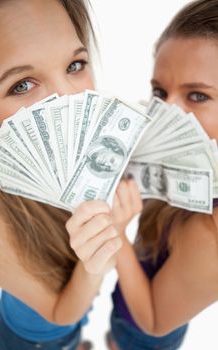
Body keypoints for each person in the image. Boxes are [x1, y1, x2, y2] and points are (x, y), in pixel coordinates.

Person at [67, 1, 218, 349]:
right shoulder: (174, 156)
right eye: (160, 93)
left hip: (146, 331)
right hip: (128, 295)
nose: (167, 114)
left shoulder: (211, 231)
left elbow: (153, 321)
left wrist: (116, 232)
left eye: (197, 95)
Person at [0, 1, 122, 349]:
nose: (70, 100)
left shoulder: (93, 154)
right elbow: (61, 313)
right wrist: (93, 267)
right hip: (32, 339)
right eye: (21, 85)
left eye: (75, 65)